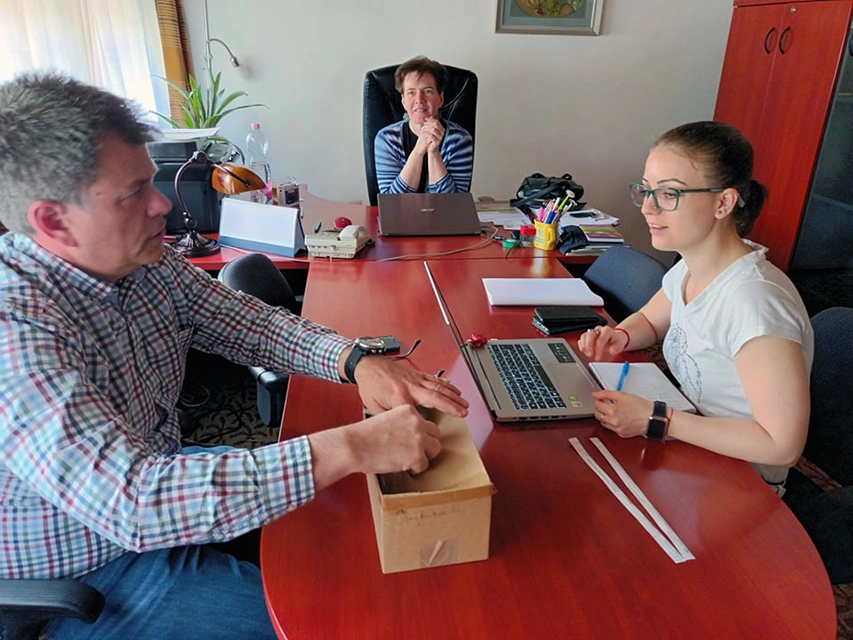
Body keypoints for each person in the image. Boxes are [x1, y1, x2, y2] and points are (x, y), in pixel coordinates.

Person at [0, 73, 469, 639]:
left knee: (349, 520)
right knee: (332, 621)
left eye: (152, 182)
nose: (161, 204)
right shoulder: (13, 328)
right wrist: (351, 444)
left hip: (160, 472)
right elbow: (136, 501)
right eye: (133, 194)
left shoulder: (145, 261)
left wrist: (357, 361)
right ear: (53, 221)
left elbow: (251, 325)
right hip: (91, 568)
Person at [578, 121, 813, 495]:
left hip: (738, 483)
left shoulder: (756, 303)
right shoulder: (691, 266)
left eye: (669, 193)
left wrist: (658, 418)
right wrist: (619, 335)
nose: (648, 208)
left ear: (723, 203)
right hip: (692, 446)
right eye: (646, 190)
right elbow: (650, 320)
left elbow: (781, 445)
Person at [374, 56, 473, 195]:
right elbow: (392, 201)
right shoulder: (387, 139)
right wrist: (419, 151)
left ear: (440, 99)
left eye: (427, 91)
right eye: (411, 92)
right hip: (401, 211)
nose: (419, 99)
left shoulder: (459, 139)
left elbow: (452, 202)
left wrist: (433, 153)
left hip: (443, 210)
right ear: (403, 101)